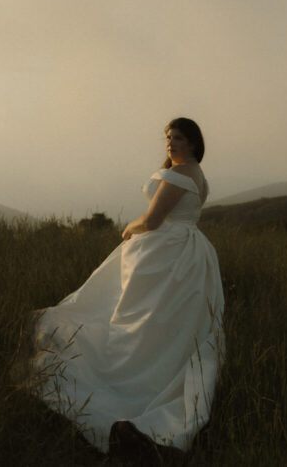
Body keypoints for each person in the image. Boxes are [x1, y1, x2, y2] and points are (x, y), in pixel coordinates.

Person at [27, 117, 224, 455]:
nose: (170, 143)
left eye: (177, 138)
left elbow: (153, 220)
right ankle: (160, 370)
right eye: (167, 138)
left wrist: (129, 229)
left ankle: (126, 377)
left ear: (193, 142)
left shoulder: (178, 175)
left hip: (165, 250)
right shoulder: (199, 177)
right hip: (190, 254)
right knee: (167, 320)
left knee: (136, 312)